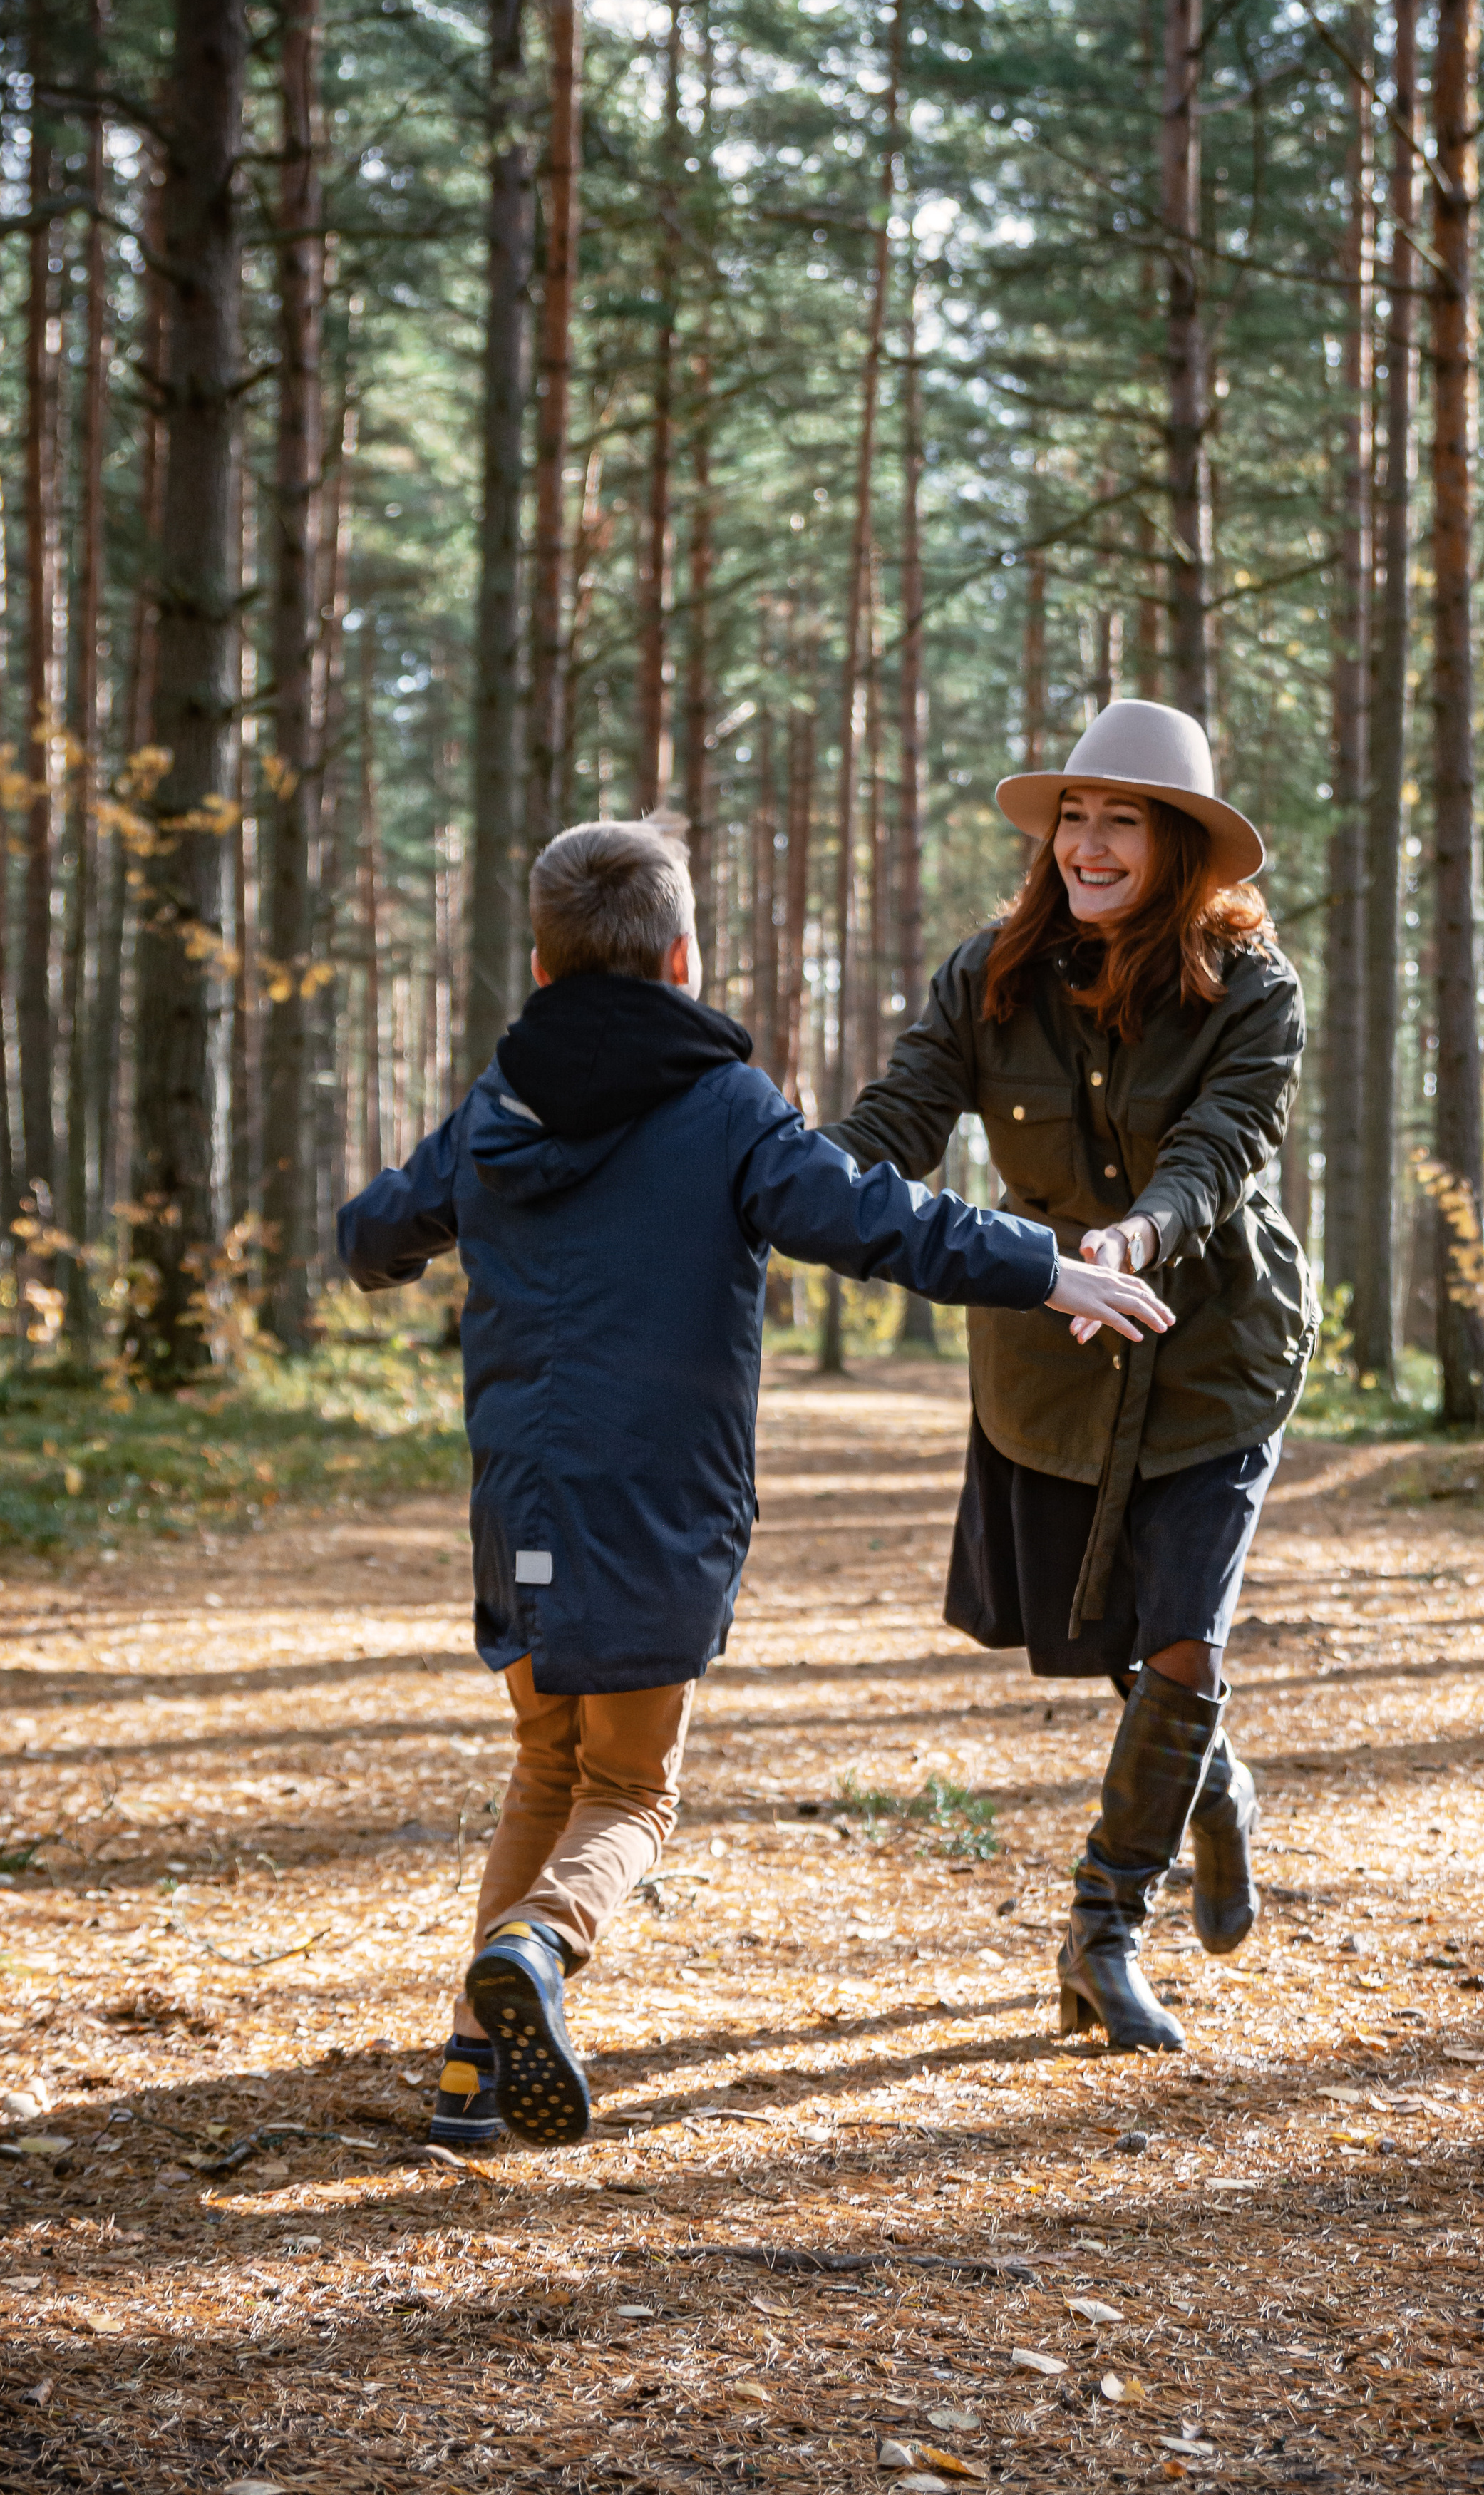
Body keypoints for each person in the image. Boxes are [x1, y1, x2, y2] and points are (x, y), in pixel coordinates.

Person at [336, 816, 1171, 2149]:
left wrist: (396, 1247)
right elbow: (878, 1217)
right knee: (627, 1791)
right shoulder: (724, 1107)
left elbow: (374, 1228)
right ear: (681, 957)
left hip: (523, 1508)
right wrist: (1050, 1264)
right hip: (657, 1512)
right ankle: (544, 1949)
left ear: (544, 970)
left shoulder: (500, 1104)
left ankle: (466, 2075)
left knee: (546, 1764)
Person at [830, 699, 1314, 2053]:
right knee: (1123, 1645)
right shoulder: (987, 974)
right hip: (1050, 1368)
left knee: (1184, 1631)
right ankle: (1212, 1790)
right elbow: (895, 1128)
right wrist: (776, 1173)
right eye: (1074, 821)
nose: (1091, 845)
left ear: (1181, 849)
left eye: (1124, 822)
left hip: (1214, 1354)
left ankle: (1104, 1928)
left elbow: (1221, 1149)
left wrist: (1143, 1232)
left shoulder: (1255, 988)